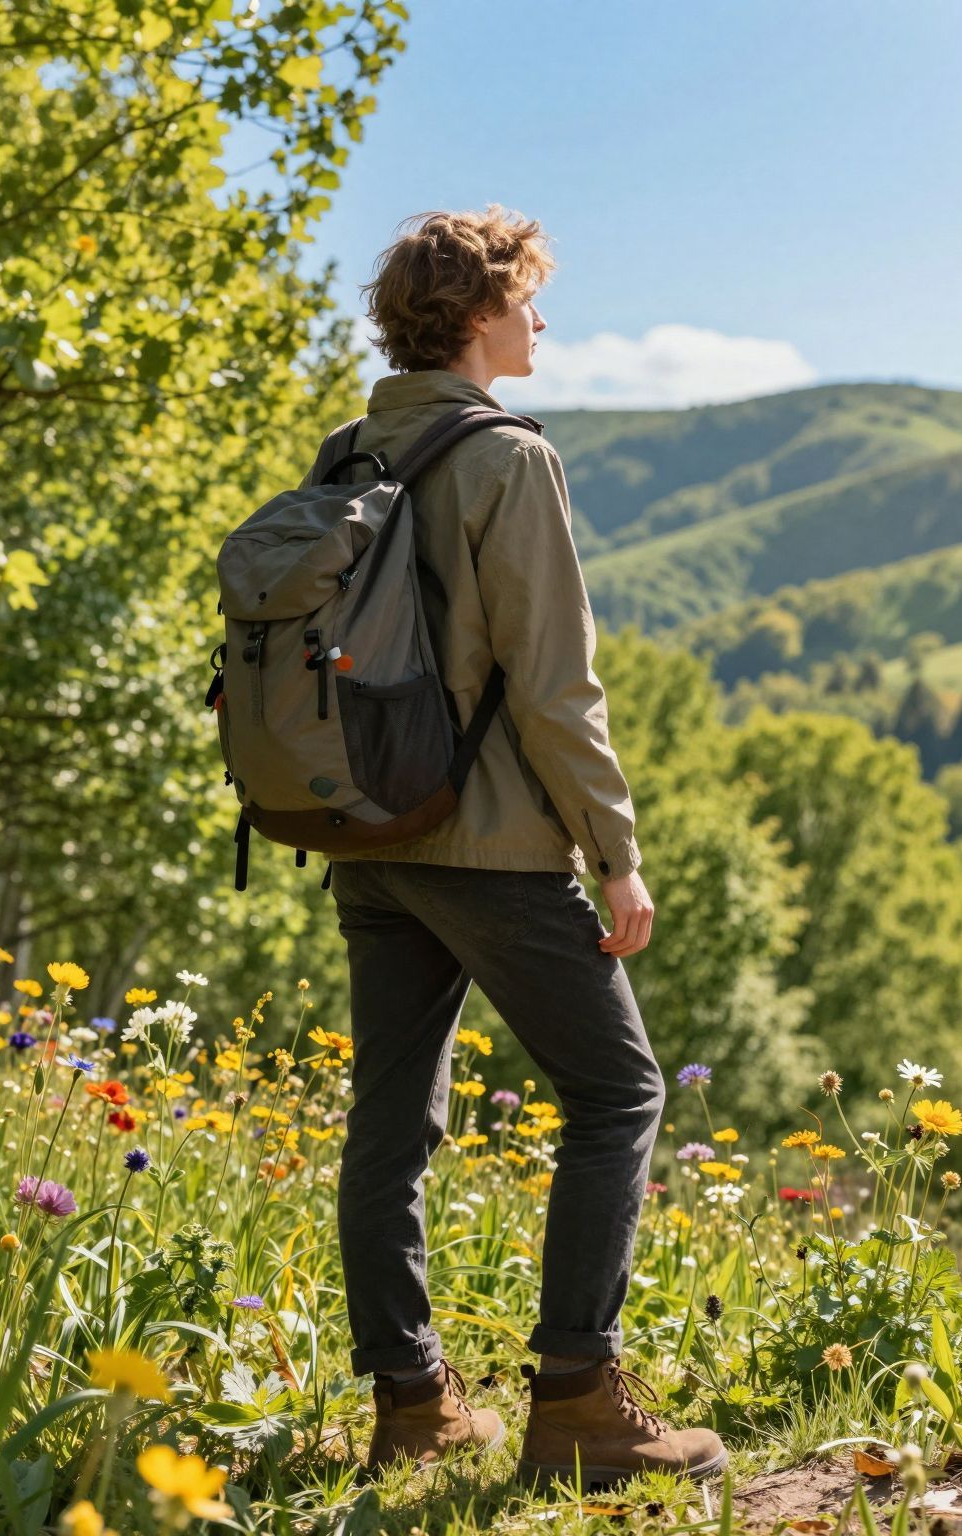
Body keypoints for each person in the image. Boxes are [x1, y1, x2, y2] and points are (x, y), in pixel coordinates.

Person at [321, 206, 725, 1488]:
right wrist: (615, 849)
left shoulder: (348, 449)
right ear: (479, 315)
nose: (541, 321)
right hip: (488, 846)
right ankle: (577, 1403)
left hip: (367, 835)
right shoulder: (506, 460)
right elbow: (555, 684)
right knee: (620, 1093)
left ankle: (411, 1403)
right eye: (529, 300)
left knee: (388, 1124)